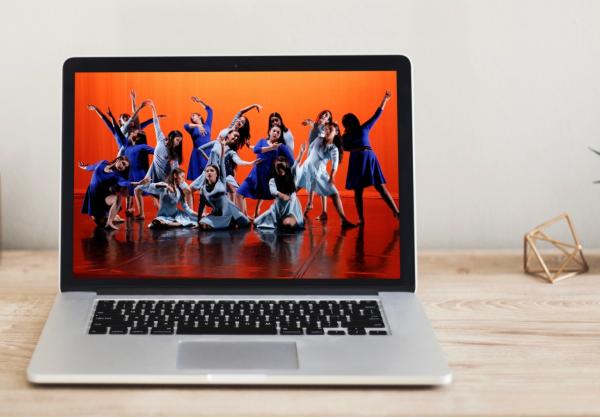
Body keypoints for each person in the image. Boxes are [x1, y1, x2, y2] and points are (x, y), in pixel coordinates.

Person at [342, 90, 400, 225]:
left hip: (369, 159)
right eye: (346, 123)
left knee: (380, 187)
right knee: (358, 191)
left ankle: (396, 212)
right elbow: (345, 148)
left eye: (350, 122)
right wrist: (357, 148)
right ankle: (361, 219)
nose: (349, 124)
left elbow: (377, 115)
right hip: (357, 162)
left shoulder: (364, 128)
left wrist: (385, 99)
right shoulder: (346, 136)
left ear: (354, 121)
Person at [295, 123, 356, 227]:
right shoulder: (318, 139)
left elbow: (334, 164)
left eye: (330, 129)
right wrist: (307, 159)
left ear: (336, 132)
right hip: (305, 170)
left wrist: (332, 176)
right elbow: (310, 149)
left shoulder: (333, 148)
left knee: (335, 194)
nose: (327, 131)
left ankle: (343, 220)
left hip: (319, 174)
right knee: (292, 191)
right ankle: (280, 213)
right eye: (326, 129)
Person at [133, 100, 185, 219]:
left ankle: (168, 215)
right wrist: (153, 107)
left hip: (163, 178)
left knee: (162, 204)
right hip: (152, 173)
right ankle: (141, 214)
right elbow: (156, 123)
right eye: (177, 140)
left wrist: (175, 182)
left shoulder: (174, 154)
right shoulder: (161, 139)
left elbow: (175, 169)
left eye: (180, 141)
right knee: (137, 190)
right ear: (171, 138)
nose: (178, 143)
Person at [236, 125, 294, 219]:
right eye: (274, 131)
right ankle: (243, 217)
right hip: (255, 175)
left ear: (280, 136)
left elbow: (291, 161)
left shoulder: (280, 146)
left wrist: (281, 169)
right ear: (269, 132)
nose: (275, 133)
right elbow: (256, 150)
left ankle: (283, 216)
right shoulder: (262, 141)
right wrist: (271, 148)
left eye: (278, 132)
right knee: (239, 193)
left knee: (277, 197)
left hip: (268, 177)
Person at [195, 142, 251, 230]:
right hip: (218, 214)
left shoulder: (221, 181)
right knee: (203, 224)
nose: (209, 172)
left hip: (231, 212)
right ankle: (227, 224)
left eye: (212, 171)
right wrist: (198, 221)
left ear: (217, 174)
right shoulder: (203, 189)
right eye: (207, 171)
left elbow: (222, 164)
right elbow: (201, 206)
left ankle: (230, 222)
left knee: (246, 224)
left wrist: (222, 149)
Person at [79, 156, 146, 230]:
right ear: (118, 159)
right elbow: (93, 167)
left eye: (125, 167)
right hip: (94, 198)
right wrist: (83, 167)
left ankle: (110, 222)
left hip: (103, 198)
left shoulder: (115, 176)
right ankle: (113, 217)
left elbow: (125, 182)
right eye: (123, 164)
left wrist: (138, 183)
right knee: (101, 222)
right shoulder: (103, 163)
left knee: (118, 198)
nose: (123, 167)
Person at [254, 153, 304, 231]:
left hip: (291, 209)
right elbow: (273, 191)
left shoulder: (291, 176)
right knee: (256, 222)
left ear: (285, 167)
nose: (280, 170)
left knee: (287, 224)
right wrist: (281, 195)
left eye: (282, 167)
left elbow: (296, 165)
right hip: (277, 210)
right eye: (278, 167)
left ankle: (292, 220)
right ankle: (280, 221)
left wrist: (301, 154)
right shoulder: (273, 180)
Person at [301, 109, 333, 216]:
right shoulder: (315, 125)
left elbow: (327, 138)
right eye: (323, 114)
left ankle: (310, 203)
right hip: (311, 156)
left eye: (326, 115)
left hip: (318, 157)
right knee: (317, 179)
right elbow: (310, 122)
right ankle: (321, 210)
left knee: (316, 179)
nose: (324, 116)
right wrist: (307, 122)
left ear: (328, 120)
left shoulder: (325, 128)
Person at [184, 96, 213, 181]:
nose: (192, 117)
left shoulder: (207, 125)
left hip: (207, 152)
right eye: (191, 117)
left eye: (193, 115)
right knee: (198, 177)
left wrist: (200, 101)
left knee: (209, 175)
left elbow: (210, 111)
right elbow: (185, 125)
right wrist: (198, 125)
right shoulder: (192, 128)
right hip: (197, 153)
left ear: (199, 116)